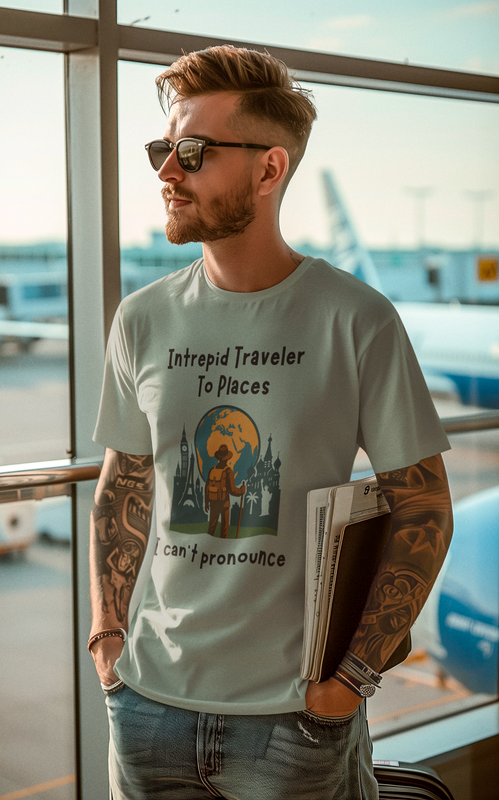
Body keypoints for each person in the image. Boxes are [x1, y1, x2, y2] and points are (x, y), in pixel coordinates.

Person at [88, 45, 453, 800]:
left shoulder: (355, 320)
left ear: (267, 168)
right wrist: (108, 643)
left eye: (191, 151)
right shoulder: (143, 319)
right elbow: (123, 483)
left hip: (294, 719)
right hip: (149, 705)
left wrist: (348, 682)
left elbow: (421, 504)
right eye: (162, 148)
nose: (165, 171)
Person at [205, 444, 246, 538]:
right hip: (225, 505)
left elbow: (207, 487)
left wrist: (206, 502)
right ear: (227, 458)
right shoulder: (228, 471)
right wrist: (241, 491)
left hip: (213, 504)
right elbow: (232, 490)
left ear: (218, 458)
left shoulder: (212, 470)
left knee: (211, 530)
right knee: (224, 532)